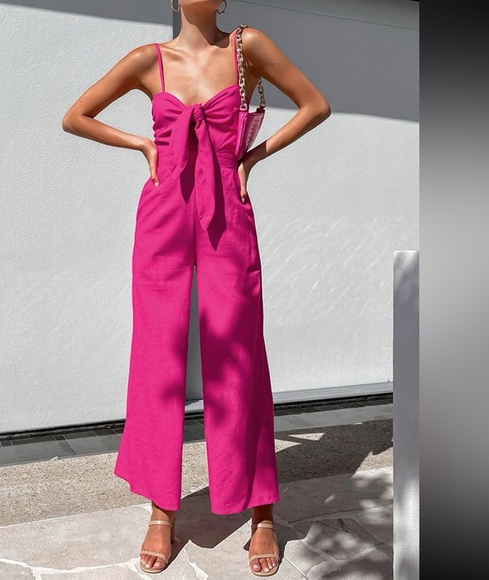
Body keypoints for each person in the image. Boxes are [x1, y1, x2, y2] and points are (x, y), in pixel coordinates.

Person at [62, 0, 330, 575]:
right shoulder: (147, 60)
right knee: (157, 358)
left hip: (227, 211)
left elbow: (315, 105)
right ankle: (162, 509)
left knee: (239, 359)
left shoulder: (247, 46)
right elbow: (75, 117)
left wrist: (251, 159)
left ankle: (261, 511)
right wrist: (143, 145)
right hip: (164, 212)